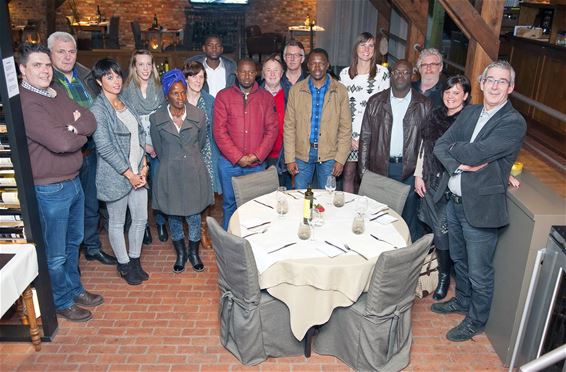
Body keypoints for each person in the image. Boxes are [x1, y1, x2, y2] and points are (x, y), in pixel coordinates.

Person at [432, 61, 526, 342]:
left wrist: (460, 152)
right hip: (454, 201)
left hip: (482, 209)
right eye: (490, 80)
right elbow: (440, 145)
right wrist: (462, 163)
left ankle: (476, 320)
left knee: (479, 270)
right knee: (459, 259)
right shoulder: (471, 112)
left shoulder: (513, 122)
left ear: (510, 88)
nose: (495, 86)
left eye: (502, 81)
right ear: (482, 83)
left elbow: (476, 153)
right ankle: (462, 301)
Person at [18, 43, 103, 322]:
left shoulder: (55, 92)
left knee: (73, 242)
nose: (44, 70)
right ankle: (62, 300)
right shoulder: (27, 102)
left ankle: (75, 289)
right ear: (22, 70)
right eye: (36, 65)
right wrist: (72, 131)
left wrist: (72, 128)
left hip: (72, 180)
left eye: (46, 65)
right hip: (49, 188)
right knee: (55, 253)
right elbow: (61, 142)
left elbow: (89, 120)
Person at [47, 31, 116, 266]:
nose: (67, 57)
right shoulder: (46, 79)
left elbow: (100, 109)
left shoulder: (87, 75)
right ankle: (70, 257)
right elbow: (60, 121)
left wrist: (80, 120)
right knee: (67, 209)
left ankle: (92, 246)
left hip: (92, 151)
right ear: (50, 53)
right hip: (65, 155)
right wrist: (81, 120)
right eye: (61, 51)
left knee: (91, 203)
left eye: (72, 51)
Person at [358, 59, 432, 241]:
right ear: (391, 75)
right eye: (397, 72)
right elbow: (365, 137)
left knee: (406, 218)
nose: (400, 76)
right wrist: (363, 171)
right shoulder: (375, 101)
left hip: (409, 170)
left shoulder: (423, 104)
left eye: (405, 72)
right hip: (379, 167)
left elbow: (427, 141)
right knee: (377, 216)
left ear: (412, 76)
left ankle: (403, 256)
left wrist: (421, 173)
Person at [90, 58, 149, 286]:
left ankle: (134, 260)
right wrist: (129, 174)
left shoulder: (125, 102)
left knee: (141, 219)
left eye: (118, 75)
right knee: (116, 222)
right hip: (117, 177)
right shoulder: (98, 109)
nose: (116, 81)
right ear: (99, 81)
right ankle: (123, 265)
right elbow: (104, 147)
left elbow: (140, 135)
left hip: (138, 172)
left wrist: (144, 165)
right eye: (109, 77)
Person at [414, 75, 471, 301]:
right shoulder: (435, 115)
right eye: (448, 92)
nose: (451, 96)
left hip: (448, 185)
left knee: (442, 233)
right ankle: (433, 269)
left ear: (465, 96)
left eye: (456, 93)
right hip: (429, 179)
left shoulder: (467, 120)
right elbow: (424, 148)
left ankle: (445, 278)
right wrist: (419, 175)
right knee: (429, 226)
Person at [150, 69, 212, 273]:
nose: (180, 97)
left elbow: (201, 142)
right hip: (169, 173)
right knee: (173, 216)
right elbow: (158, 148)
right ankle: (181, 253)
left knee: (194, 216)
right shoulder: (156, 118)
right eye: (175, 93)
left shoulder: (198, 116)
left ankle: (193, 252)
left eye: (183, 92)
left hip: (193, 171)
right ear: (167, 95)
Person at [213, 57, 278, 229]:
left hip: (256, 164)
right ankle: (229, 239)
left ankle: (252, 239)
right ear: (236, 73)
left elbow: (272, 131)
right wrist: (238, 157)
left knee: (255, 204)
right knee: (229, 203)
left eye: (250, 72)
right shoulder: (223, 96)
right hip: (229, 163)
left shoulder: (266, 98)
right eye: (243, 71)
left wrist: (256, 156)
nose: (247, 76)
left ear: (256, 74)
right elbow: (219, 132)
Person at [284, 48, 352, 190]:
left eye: (321, 63)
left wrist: (340, 159)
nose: (317, 67)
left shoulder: (340, 91)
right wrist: (290, 158)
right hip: (302, 154)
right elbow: (289, 127)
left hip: (329, 155)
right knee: (300, 197)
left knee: (327, 198)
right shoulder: (296, 91)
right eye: (313, 63)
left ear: (327, 65)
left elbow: (345, 128)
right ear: (307, 66)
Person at [121, 50, 168, 244]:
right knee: (141, 187)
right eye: (141, 64)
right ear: (134, 66)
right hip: (136, 145)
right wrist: (145, 146)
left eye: (149, 64)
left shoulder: (160, 87)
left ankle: (161, 222)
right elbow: (127, 122)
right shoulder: (126, 90)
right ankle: (144, 226)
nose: (146, 68)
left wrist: (158, 143)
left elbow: (165, 117)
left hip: (159, 143)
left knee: (159, 185)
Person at [339, 32, 390, 193]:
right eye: (363, 45)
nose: (366, 49)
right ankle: (347, 211)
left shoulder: (382, 74)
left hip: (372, 135)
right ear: (356, 48)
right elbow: (341, 108)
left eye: (371, 45)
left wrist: (365, 137)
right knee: (348, 174)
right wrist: (349, 137)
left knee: (367, 178)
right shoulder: (345, 74)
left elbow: (384, 108)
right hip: (349, 135)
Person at [184, 61, 219, 250]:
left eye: (201, 77)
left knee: (205, 194)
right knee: (187, 194)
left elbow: (215, 129)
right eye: (193, 76)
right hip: (184, 154)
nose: (197, 80)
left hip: (205, 153)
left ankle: (203, 230)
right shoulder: (177, 98)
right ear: (186, 78)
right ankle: (191, 230)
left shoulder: (209, 100)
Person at [261, 55, 291, 188]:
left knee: (285, 197)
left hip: (284, 156)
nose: (272, 74)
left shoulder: (291, 94)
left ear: (282, 73)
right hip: (261, 158)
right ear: (263, 73)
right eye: (268, 70)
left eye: (276, 70)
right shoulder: (254, 94)